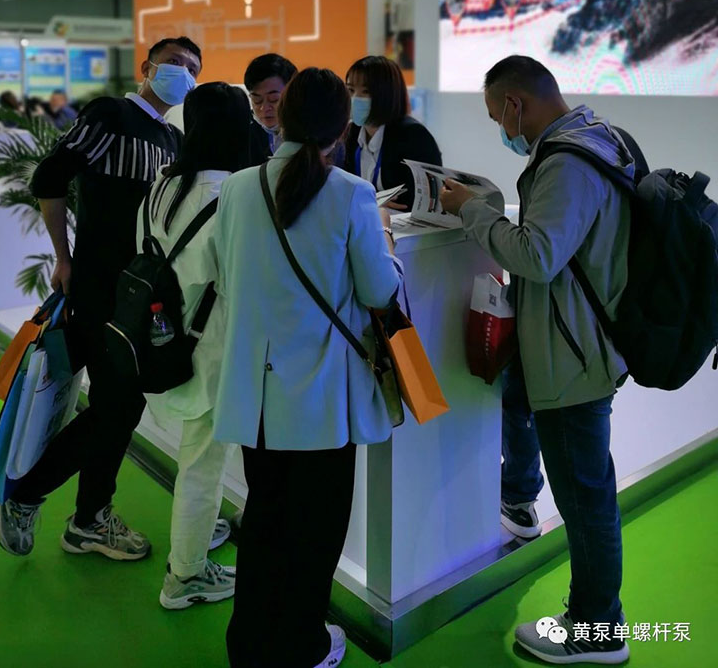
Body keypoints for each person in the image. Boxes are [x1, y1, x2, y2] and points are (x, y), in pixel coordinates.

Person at [440, 55, 633, 666]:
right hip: (578, 343)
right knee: (586, 489)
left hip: (573, 356)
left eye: (496, 115)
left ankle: (597, 631)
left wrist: (471, 210)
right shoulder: (598, 137)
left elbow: (538, 255)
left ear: (515, 104)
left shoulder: (567, 161)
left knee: (585, 498)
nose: (501, 128)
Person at [212, 67, 401, 668]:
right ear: (342, 127)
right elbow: (378, 290)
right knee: (315, 535)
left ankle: (249, 645)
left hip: (257, 398)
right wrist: (389, 248)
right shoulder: (352, 193)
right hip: (322, 401)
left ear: (283, 116)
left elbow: (225, 275)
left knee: (264, 524)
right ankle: (304, 645)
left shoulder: (238, 187)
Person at [0, 36, 202, 562]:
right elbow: (50, 177)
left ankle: (88, 519)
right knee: (120, 406)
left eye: (193, 68)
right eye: (175, 63)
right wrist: (63, 258)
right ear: (147, 67)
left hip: (139, 296)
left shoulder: (173, 139)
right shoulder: (111, 115)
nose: (183, 73)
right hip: (97, 288)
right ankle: (30, 496)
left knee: (118, 406)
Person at [141, 82, 250, 611]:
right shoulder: (231, 195)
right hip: (213, 349)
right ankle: (185, 576)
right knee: (203, 466)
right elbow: (239, 279)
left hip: (168, 340)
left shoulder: (163, 183)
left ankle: (195, 545)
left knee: (198, 459)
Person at [343, 54, 442, 209]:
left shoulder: (413, 135)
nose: (355, 98)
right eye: (350, 90)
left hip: (402, 221)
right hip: (364, 217)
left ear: (386, 94)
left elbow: (426, 198)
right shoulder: (352, 132)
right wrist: (370, 200)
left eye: (366, 91)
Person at [243, 52, 297, 165]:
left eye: (274, 99)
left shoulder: (312, 133)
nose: (264, 108)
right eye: (257, 100)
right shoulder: (245, 132)